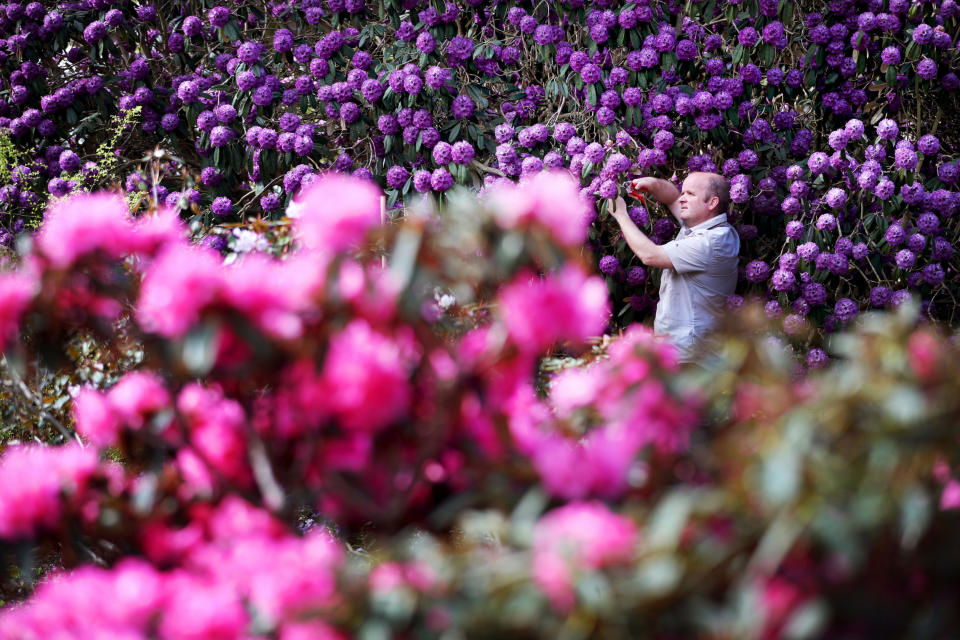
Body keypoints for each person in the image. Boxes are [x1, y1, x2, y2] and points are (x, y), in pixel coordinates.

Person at [608, 172, 740, 366]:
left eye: (690, 194)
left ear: (711, 203)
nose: (682, 198)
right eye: (683, 191)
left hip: (691, 358)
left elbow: (650, 255)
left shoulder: (713, 241)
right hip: (677, 352)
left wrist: (620, 214)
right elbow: (672, 197)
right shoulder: (699, 226)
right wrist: (652, 184)